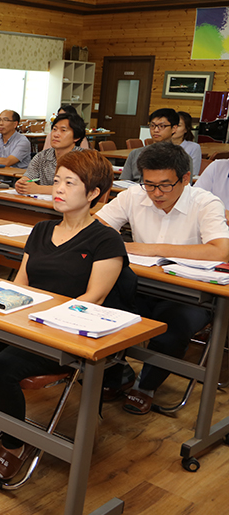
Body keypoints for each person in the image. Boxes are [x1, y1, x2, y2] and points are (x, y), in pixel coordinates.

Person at [0, 150, 133, 480]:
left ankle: (15, 445)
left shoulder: (107, 240)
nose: (58, 189)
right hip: (25, 322)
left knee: (4, 368)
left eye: (69, 183)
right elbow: (21, 282)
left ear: (93, 194)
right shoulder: (42, 229)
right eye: (57, 181)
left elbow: (93, 298)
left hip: (64, 331)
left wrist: (41, 318)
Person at [96, 141, 229, 414]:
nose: (156, 193)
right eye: (149, 184)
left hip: (189, 295)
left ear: (185, 179)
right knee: (104, 311)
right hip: (141, 284)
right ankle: (117, 374)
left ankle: (146, 386)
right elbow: (96, 228)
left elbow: (220, 249)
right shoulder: (134, 195)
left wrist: (149, 248)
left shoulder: (205, 203)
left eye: (165, 185)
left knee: (172, 328)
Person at [15, 113, 85, 196]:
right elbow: (28, 177)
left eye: (63, 130)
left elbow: (78, 189)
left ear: (77, 137)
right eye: (54, 129)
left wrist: (38, 189)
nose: (56, 134)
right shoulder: (42, 156)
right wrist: (22, 183)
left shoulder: (84, 158)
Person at [119, 107, 179, 183]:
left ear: (174, 128)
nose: (156, 130)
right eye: (152, 125)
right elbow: (123, 181)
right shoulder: (135, 153)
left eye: (162, 126)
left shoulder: (179, 157)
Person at [172, 110, 202, 176]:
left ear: (186, 129)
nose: (174, 128)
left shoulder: (194, 147)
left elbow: (193, 173)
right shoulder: (161, 145)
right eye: (172, 125)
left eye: (178, 125)